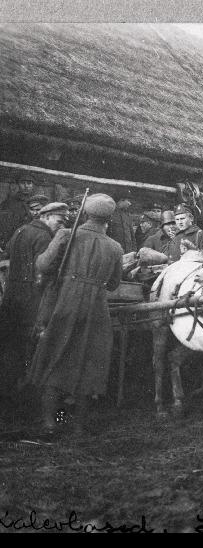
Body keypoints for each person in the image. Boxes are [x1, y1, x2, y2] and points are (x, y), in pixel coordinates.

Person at [26, 194, 123, 437]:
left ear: (86, 214)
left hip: (64, 304)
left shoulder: (66, 235)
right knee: (87, 366)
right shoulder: (115, 246)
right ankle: (78, 425)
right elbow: (112, 284)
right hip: (96, 310)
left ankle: (51, 422)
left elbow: (43, 266)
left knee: (55, 358)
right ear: (108, 219)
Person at [0, 202, 68, 398]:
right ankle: (27, 394)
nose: (61, 225)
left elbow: (6, 259)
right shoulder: (44, 236)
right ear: (46, 217)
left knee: (11, 347)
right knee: (30, 347)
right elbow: (43, 270)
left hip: (12, 298)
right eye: (59, 220)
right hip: (33, 300)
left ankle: (9, 393)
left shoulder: (20, 230)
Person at [0, 174, 36, 248]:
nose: (26, 186)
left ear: (33, 185)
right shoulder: (9, 203)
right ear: (18, 185)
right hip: (13, 240)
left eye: (29, 183)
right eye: (23, 183)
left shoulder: (37, 202)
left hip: (31, 240)